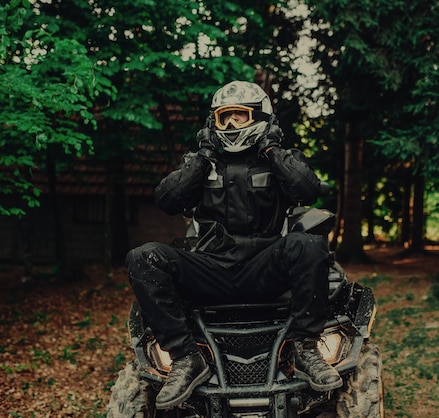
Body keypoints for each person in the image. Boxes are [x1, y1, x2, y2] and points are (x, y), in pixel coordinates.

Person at [125, 80, 342, 410]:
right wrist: (201, 159)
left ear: (260, 117)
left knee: (310, 244)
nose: (229, 125)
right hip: (213, 269)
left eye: (238, 117)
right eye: (223, 117)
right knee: (143, 257)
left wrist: (271, 149)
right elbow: (166, 200)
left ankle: (305, 349)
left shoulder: (282, 158)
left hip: (265, 269)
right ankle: (185, 358)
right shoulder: (200, 163)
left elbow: (307, 188)